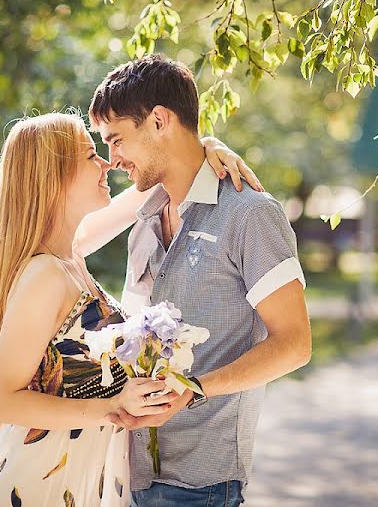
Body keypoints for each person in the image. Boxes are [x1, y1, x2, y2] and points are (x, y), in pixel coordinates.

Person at [0, 112, 257, 506]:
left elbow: (154, 182)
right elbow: (1, 401)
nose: (107, 163)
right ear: (53, 174)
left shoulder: (70, 258)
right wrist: (111, 407)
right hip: (43, 484)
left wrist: (204, 148)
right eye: (92, 155)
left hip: (81, 478)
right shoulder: (45, 274)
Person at [88, 55, 313, 507]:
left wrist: (193, 391)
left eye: (116, 141)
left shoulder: (250, 213)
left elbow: (295, 344)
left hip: (203, 486)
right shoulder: (144, 221)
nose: (113, 161)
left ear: (158, 120)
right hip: (132, 476)